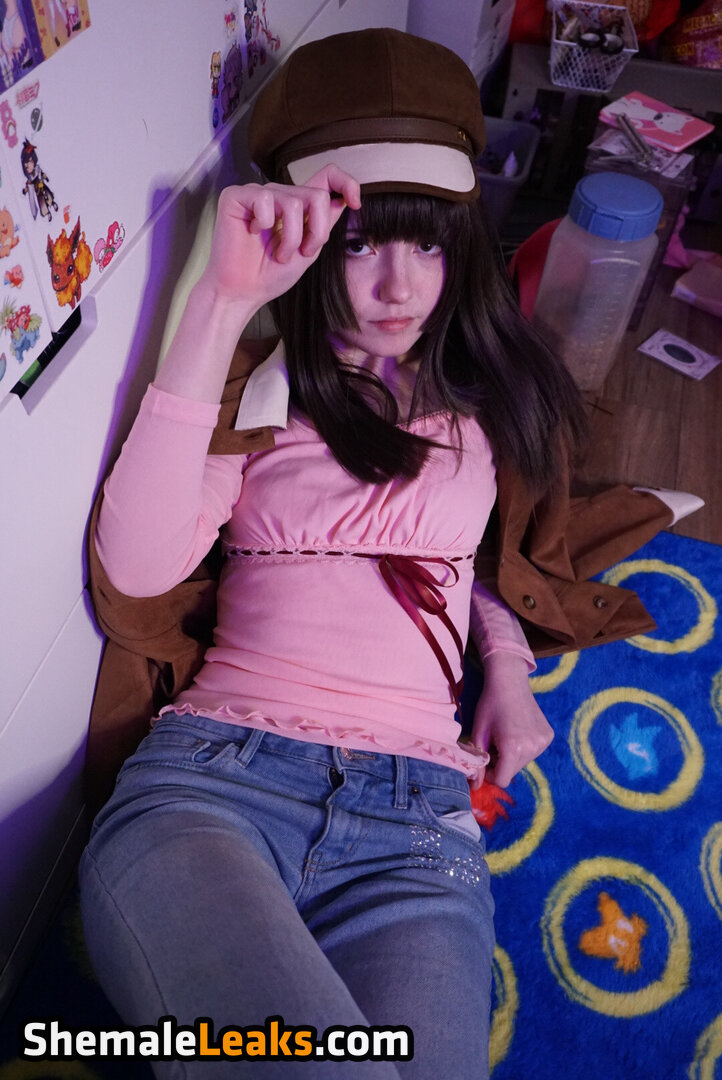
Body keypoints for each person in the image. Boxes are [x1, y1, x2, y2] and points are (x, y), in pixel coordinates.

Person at [79, 27, 590, 1079]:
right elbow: (136, 570)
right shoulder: (263, 397)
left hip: (418, 820)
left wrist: (505, 665)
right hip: (217, 782)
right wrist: (222, 302)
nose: (399, 287)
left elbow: (464, 568)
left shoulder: (483, 407)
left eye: (428, 247)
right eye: (360, 245)